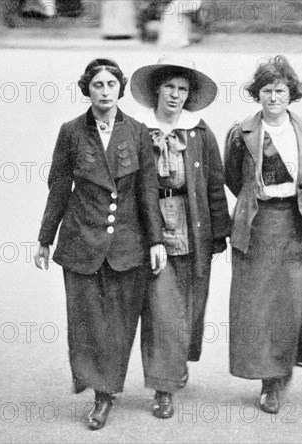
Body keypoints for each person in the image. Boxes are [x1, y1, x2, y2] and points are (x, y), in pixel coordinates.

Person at [33, 58, 166, 431]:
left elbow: (147, 192)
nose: (105, 92)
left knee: (119, 324)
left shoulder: (138, 133)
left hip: (127, 245)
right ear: (87, 90)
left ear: (120, 89)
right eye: (97, 85)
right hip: (81, 241)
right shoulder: (71, 132)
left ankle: (106, 392)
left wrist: (155, 240)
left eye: (111, 85)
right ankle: (95, 386)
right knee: (85, 321)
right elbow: (59, 186)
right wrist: (46, 238)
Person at [130, 56, 230, 419]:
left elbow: (214, 186)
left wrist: (220, 234)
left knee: (187, 305)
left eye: (182, 89)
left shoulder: (200, 133)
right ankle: (164, 387)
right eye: (169, 86)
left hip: (192, 226)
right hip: (151, 226)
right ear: (156, 89)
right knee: (161, 307)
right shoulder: (136, 130)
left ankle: (173, 369)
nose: (175, 95)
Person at [224, 55, 302, 414]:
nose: (274, 97)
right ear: (257, 94)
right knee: (259, 308)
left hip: (296, 225)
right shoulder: (241, 133)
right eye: (266, 90)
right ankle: (270, 381)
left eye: (281, 90)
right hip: (258, 226)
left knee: (295, 306)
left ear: (291, 93)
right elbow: (234, 179)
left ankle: (284, 369)